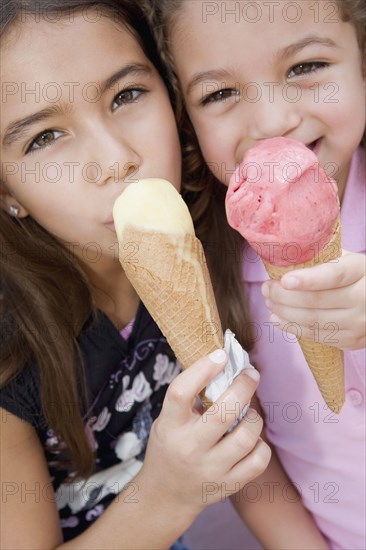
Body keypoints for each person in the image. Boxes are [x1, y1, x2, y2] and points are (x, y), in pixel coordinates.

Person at [0, 1, 272, 548]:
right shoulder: (11, 352)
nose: (117, 158)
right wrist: (166, 496)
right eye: (44, 137)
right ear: (8, 195)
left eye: (126, 96)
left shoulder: (214, 227)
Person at [153, 0, 366, 548]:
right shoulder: (205, 267)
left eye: (305, 67)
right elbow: (249, 451)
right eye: (220, 94)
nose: (274, 122)